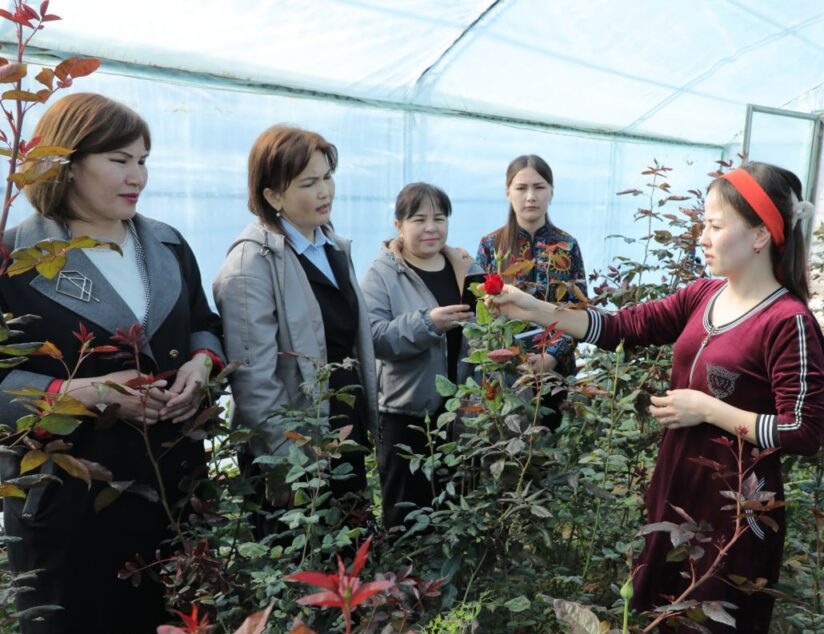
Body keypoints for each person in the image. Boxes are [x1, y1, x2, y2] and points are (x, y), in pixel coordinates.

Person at [492, 162, 824, 634]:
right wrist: (533, 309)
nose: (704, 237)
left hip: (736, 507)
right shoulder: (704, 296)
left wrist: (707, 409)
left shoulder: (788, 322)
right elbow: (621, 327)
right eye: (704, 224)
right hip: (679, 485)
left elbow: (803, 431)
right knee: (670, 629)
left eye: (715, 225)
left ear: (761, 235)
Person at [0, 93, 224, 634]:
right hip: (69, 507)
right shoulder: (16, 258)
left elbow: (204, 323)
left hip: (173, 488)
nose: (138, 177)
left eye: (144, 160)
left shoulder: (167, 244)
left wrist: (201, 366)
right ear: (66, 164)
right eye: (120, 160)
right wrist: (92, 392)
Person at [214, 125, 378, 523]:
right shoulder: (251, 263)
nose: (325, 192)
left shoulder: (330, 245)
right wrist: (288, 460)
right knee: (303, 550)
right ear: (273, 196)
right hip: (294, 445)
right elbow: (254, 377)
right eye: (309, 183)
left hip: (341, 425)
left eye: (327, 177)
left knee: (352, 545)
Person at [361, 182, 482, 529]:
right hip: (407, 415)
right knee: (406, 518)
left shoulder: (465, 267)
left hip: (461, 415)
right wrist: (428, 324)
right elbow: (374, 337)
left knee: (455, 515)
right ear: (398, 225)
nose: (431, 228)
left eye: (439, 218)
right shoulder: (382, 274)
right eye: (419, 219)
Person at [477, 154, 587, 429]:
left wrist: (551, 356)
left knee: (551, 442)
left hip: (556, 372)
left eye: (539, 187)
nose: (530, 197)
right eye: (521, 188)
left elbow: (579, 310)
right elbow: (481, 312)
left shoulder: (567, 246)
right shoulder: (491, 245)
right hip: (505, 370)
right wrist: (509, 356)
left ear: (551, 192)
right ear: (508, 192)